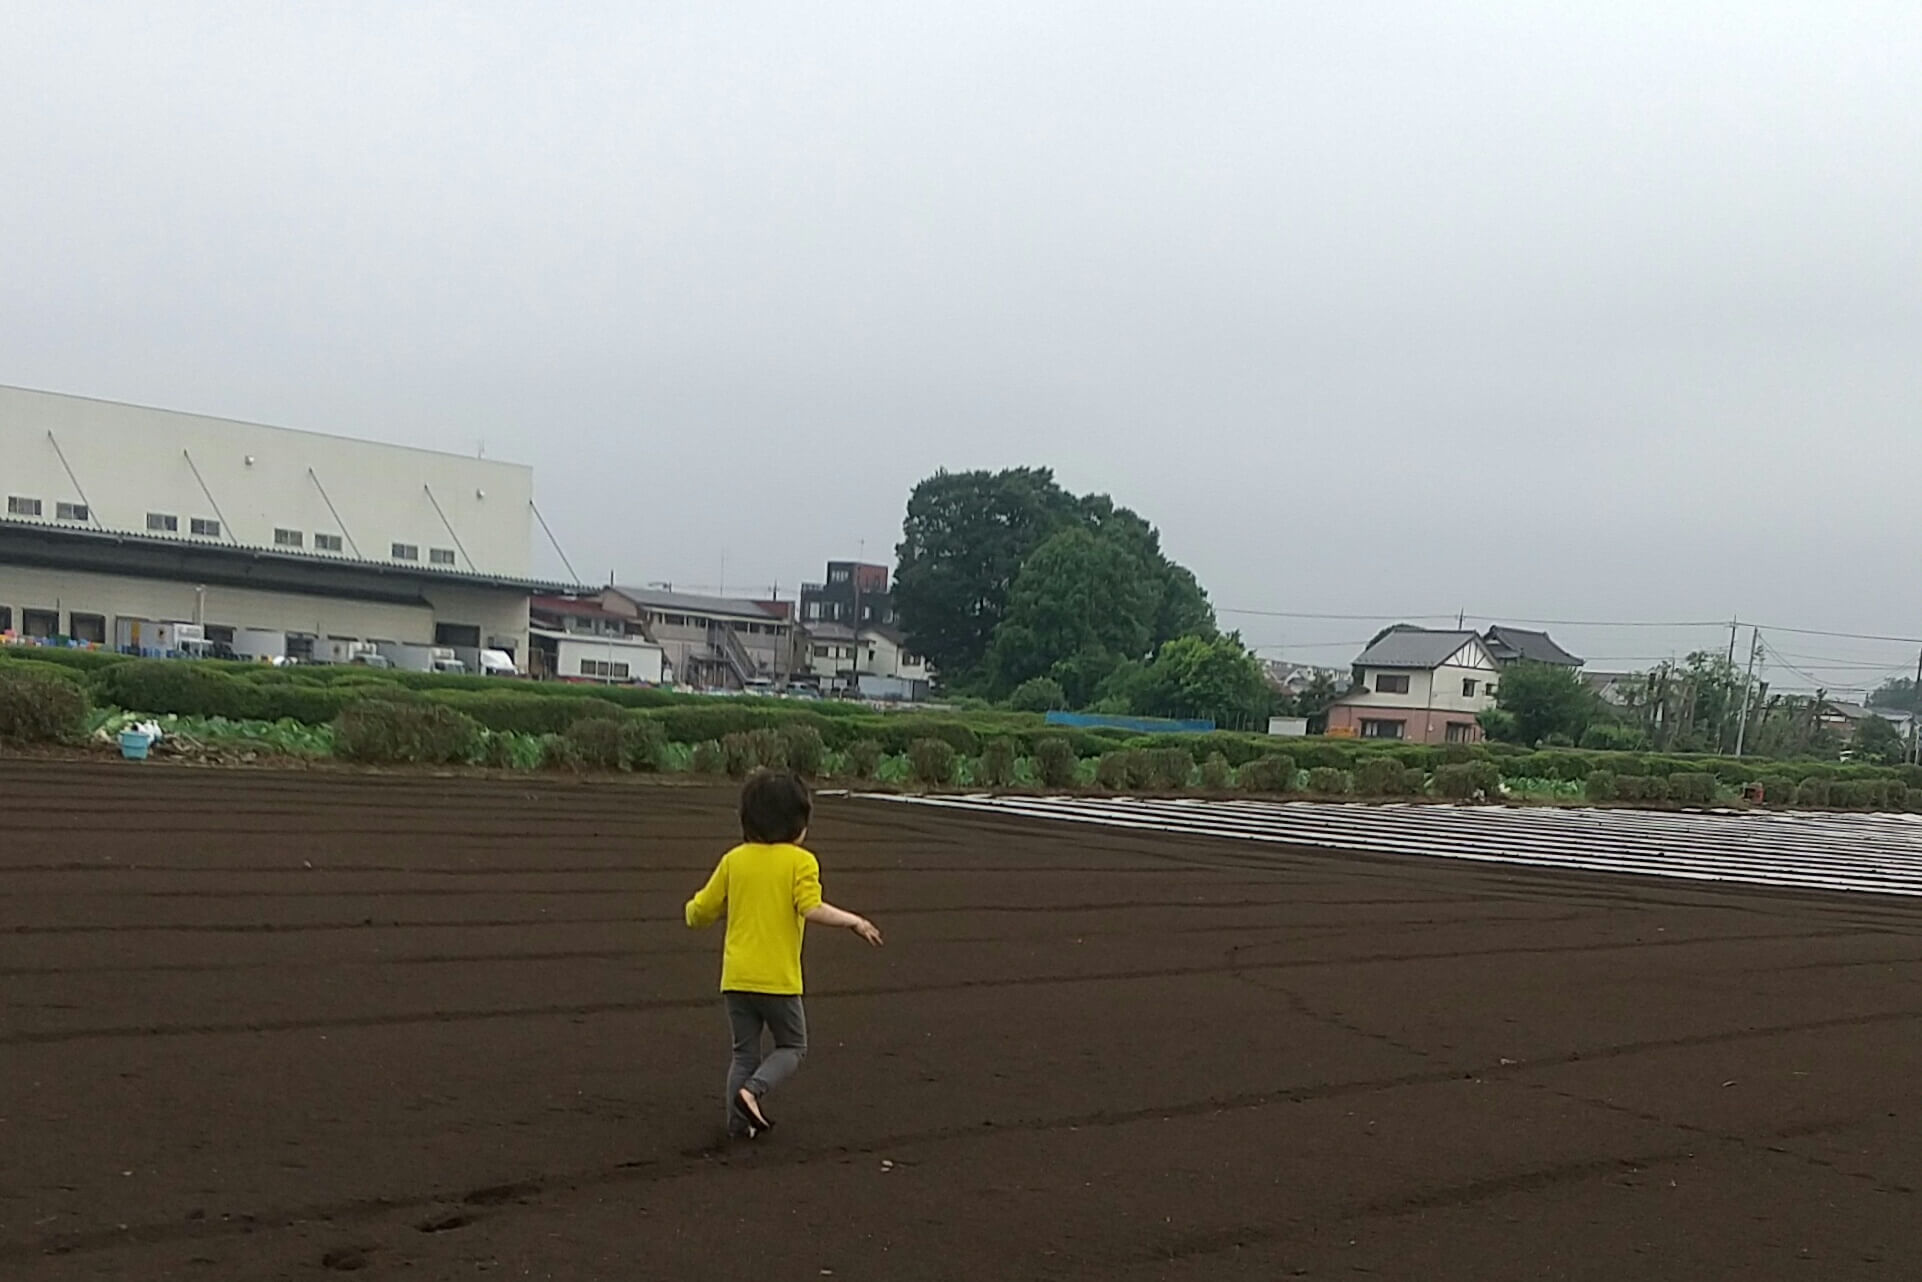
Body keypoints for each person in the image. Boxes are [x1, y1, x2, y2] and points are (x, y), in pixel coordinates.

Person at [684, 768, 883, 1139]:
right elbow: (811, 906)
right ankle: (753, 1092)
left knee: (744, 1053)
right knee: (793, 1045)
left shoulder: (734, 860)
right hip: (777, 979)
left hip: (736, 978)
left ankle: (737, 1127)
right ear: (797, 824)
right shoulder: (800, 861)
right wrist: (853, 921)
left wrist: (691, 912)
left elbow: (701, 911)